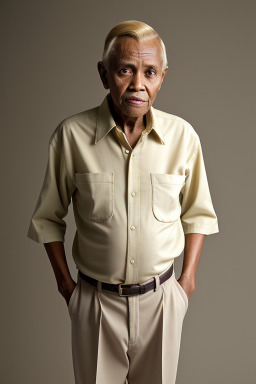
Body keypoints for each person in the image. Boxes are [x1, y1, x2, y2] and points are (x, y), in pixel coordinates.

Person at [27, 20, 219, 384]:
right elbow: (47, 219)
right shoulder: (71, 136)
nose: (137, 84)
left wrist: (186, 284)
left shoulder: (183, 138)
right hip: (96, 305)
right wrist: (68, 289)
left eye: (149, 72)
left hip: (162, 303)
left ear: (162, 76)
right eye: (125, 70)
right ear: (104, 74)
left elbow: (198, 214)